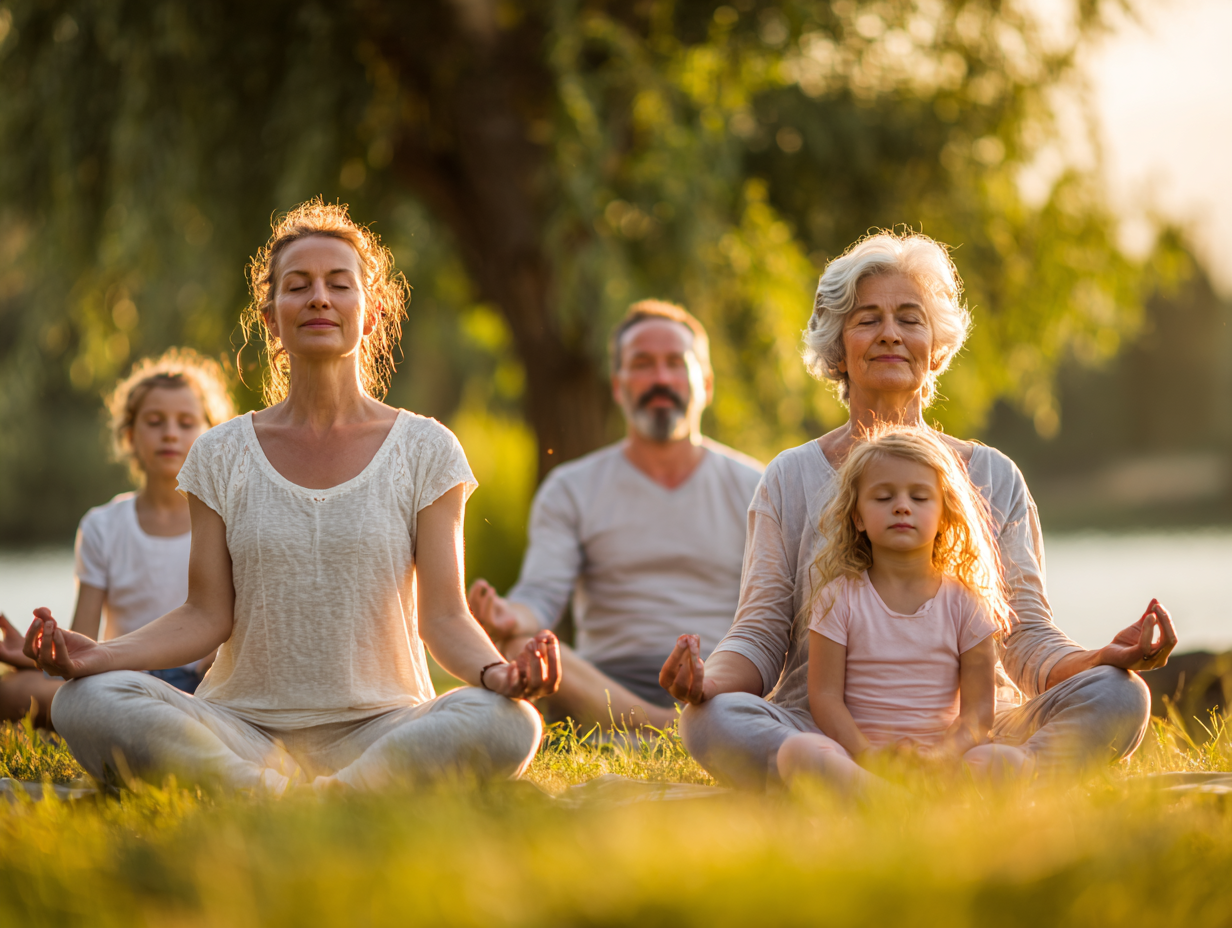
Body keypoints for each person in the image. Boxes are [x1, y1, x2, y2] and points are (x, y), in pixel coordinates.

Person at [22, 198, 560, 792]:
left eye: (339, 284)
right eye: (297, 286)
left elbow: (445, 617)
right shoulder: (220, 452)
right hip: (241, 725)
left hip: (386, 726)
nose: (319, 299)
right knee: (84, 700)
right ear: (272, 318)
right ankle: (282, 793)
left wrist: (496, 672)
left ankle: (300, 798)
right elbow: (205, 615)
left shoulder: (426, 448)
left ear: (372, 312)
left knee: (510, 722)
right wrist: (98, 656)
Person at [660, 231, 1177, 789]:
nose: (890, 334)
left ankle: (968, 780)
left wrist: (1102, 655)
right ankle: (869, 785)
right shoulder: (790, 476)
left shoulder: (993, 477)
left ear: (935, 346)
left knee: (1120, 694)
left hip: (976, 736)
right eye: (867, 319)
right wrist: (706, 682)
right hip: (826, 730)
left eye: (910, 318)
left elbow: (1026, 637)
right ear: (838, 348)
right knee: (710, 720)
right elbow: (760, 634)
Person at [468, 301, 762, 729]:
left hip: (720, 679)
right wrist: (509, 616)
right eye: (642, 364)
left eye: (675, 364)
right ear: (618, 386)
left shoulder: (759, 486)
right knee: (520, 642)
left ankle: (687, 724)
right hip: (605, 686)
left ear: (707, 383)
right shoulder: (572, 487)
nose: (660, 379)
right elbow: (541, 595)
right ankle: (670, 727)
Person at [778, 426, 1021, 796]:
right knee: (798, 751)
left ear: (944, 514)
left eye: (920, 497)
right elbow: (824, 698)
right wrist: (868, 755)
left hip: (943, 762)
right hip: (861, 759)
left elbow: (978, 714)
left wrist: (941, 756)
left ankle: (913, 799)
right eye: (883, 497)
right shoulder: (837, 598)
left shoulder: (967, 603)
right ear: (857, 517)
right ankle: (887, 797)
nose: (902, 506)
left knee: (1009, 763)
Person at [0, 349, 235, 729]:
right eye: (155, 422)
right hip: (119, 673)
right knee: (11, 692)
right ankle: (146, 720)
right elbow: (84, 638)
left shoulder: (225, 521)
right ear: (129, 435)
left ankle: (153, 721)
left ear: (212, 433)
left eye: (186, 422)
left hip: (202, 683)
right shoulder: (102, 525)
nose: (171, 433)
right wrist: (38, 654)